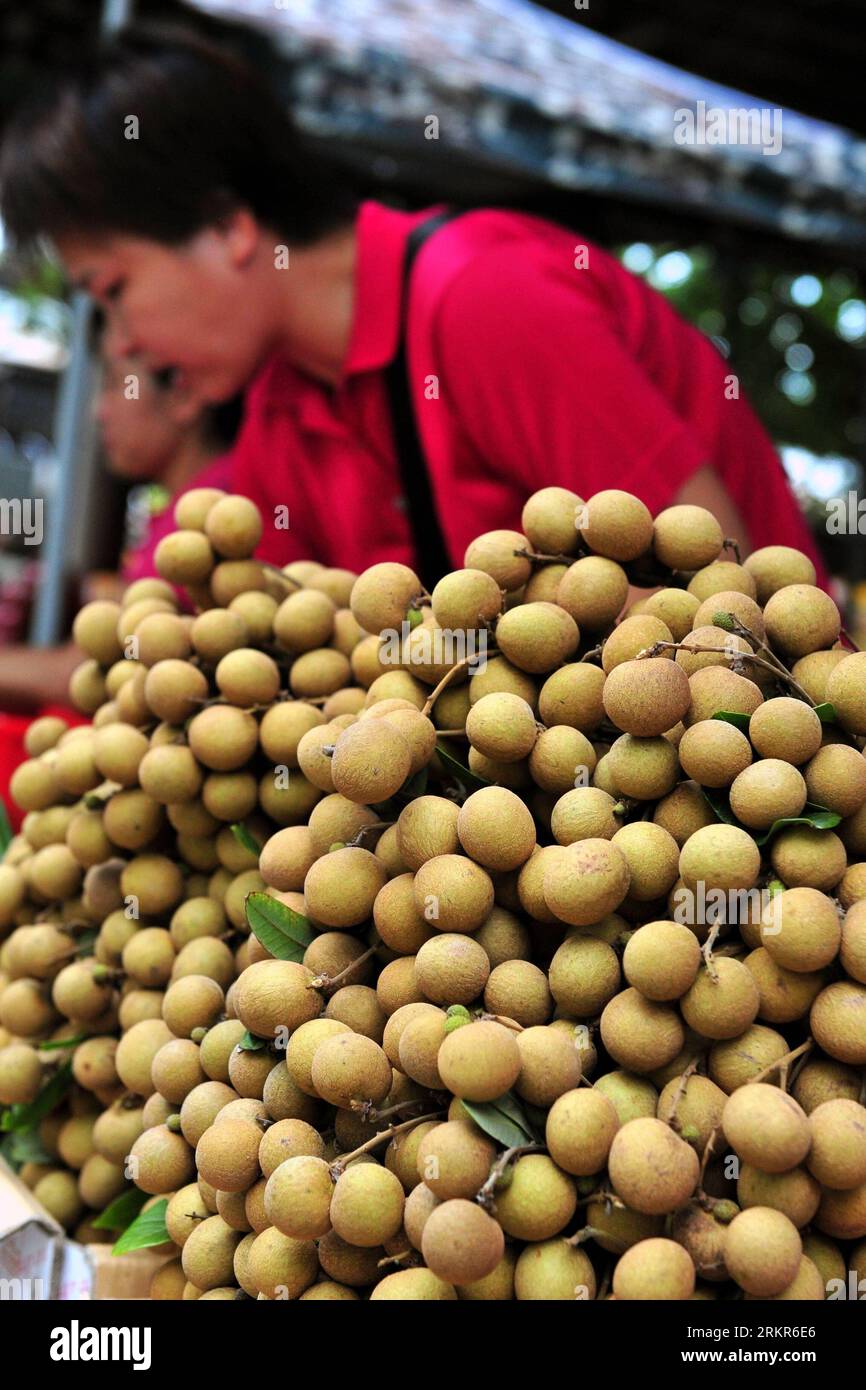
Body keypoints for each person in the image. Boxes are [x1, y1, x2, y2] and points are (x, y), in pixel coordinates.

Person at [0, 24, 826, 594]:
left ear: (229, 228)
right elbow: (260, 631)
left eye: (114, 292)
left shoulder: (488, 299)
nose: (129, 342)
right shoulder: (288, 405)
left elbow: (718, 594)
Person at [0, 338, 236, 712]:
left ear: (182, 396)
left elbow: (81, 674)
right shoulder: (186, 509)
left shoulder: (213, 510)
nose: (98, 412)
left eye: (114, 384)